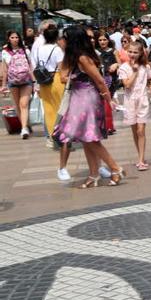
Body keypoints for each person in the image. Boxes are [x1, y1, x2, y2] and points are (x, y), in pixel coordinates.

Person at [52, 25, 124, 188]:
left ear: (73, 41)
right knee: (86, 138)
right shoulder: (75, 57)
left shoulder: (83, 58)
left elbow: (99, 80)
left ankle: (115, 168)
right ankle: (93, 174)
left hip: (87, 99)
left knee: (90, 138)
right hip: (79, 99)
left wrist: (108, 99)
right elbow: (63, 76)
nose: (62, 41)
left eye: (65, 38)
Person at [118, 39, 151, 171]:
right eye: (130, 52)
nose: (132, 54)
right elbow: (127, 85)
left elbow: (150, 81)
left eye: (135, 52)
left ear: (141, 53)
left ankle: (141, 160)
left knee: (141, 130)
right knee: (135, 131)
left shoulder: (145, 67)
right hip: (130, 101)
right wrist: (134, 71)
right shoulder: (123, 68)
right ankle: (140, 156)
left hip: (143, 100)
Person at [35, 23, 65, 148]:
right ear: (56, 37)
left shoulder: (39, 49)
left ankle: (52, 136)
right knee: (60, 109)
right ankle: (60, 137)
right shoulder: (57, 49)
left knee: (48, 110)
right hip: (56, 79)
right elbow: (61, 68)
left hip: (43, 81)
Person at [1, 31, 35, 139]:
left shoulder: (26, 50)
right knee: (17, 105)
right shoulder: (5, 52)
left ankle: (24, 129)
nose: (15, 39)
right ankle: (25, 125)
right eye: (12, 37)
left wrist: (35, 82)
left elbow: (30, 67)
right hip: (12, 82)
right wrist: (3, 85)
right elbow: (5, 70)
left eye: (17, 37)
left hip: (26, 81)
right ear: (8, 39)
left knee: (23, 104)